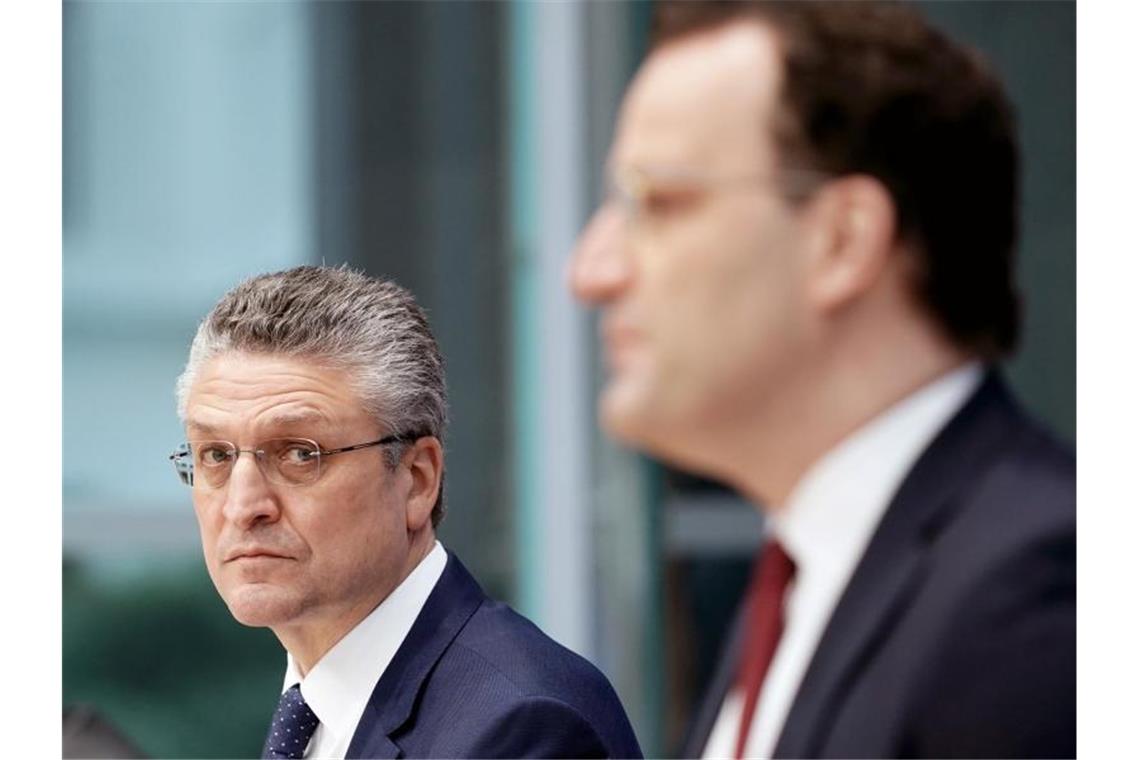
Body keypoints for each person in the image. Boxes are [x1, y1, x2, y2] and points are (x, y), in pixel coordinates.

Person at [569, 2, 1074, 758]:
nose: (592, 272)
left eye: (660, 202)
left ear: (843, 240)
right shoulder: (802, 588)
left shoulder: (1032, 605)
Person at [171, 266, 642, 759]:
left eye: (300, 454)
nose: (243, 506)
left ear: (416, 480)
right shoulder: (314, 705)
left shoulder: (523, 725)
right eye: (216, 455)